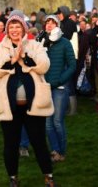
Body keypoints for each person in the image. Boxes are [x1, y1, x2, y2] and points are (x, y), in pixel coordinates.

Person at [0, 10, 56, 187]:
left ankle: (48, 176)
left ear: (24, 29)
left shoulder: (35, 45)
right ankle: (13, 178)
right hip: (10, 106)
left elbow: (44, 65)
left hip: (33, 105)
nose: (15, 30)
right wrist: (13, 58)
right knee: (10, 144)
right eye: (12, 27)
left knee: (39, 142)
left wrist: (24, 56)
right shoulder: (0, 48)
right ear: (7, 29)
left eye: (18, 26)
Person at [37, 15, 76, 162]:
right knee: (47, 123)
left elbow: (72, 65)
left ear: (57, 25)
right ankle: (55, 151)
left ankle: (62, 151)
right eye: (47, 23)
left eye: (52, 23)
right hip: (45, 87)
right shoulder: (41, 42)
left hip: (60, 87)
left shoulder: (65, 43)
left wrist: (60, 80)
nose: (49, 25)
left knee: (58, 121)